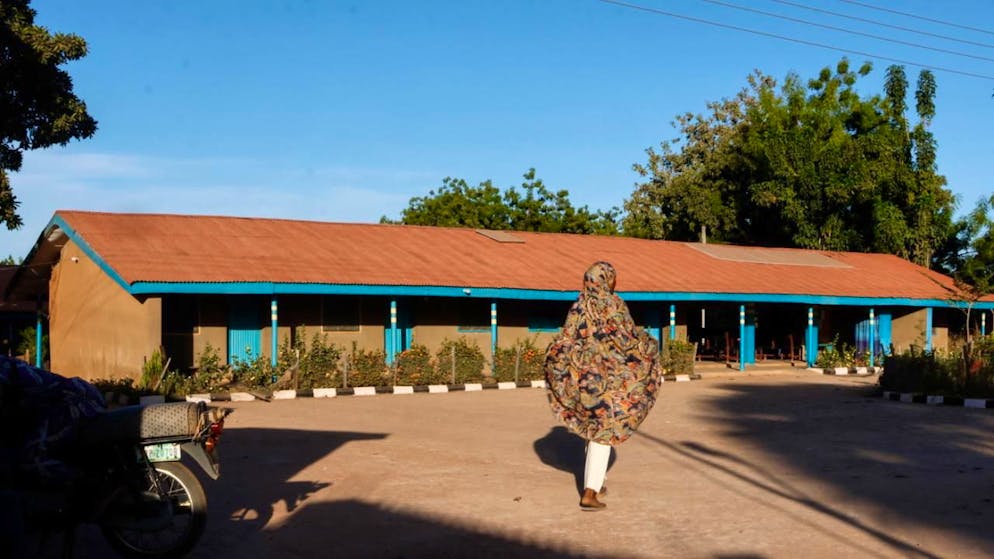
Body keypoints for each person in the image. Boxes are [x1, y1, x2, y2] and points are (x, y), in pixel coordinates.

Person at [544, 261, 662, 511]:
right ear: (608, 279)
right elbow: (627, 339)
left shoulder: (579, 305)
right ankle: (589, 493)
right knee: (604, 432)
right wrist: (647, 347)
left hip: (584, 380)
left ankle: (594, 482)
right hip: (609, 382)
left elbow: (566, 338)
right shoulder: (614, 304)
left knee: (593, 427)